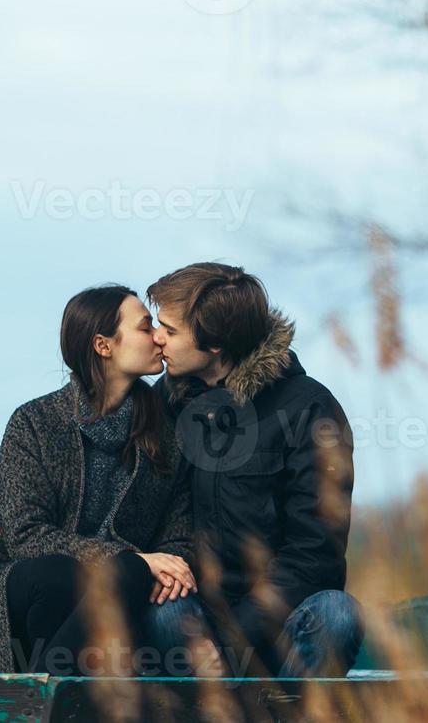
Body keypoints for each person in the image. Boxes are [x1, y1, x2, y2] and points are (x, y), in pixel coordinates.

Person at [0, 284, 198, 676]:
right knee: (64, 575)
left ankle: (45, 698)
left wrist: (160, 567)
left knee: (126, 574)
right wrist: (128, 559)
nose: (158, 337)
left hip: (116, 595)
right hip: (12, 586)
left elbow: (178, 536)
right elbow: (25, 535)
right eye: (146, 327)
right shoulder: (35, 423)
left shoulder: (166, 434)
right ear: (104, 345)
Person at [143, 262, 363, 678]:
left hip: (279, 625)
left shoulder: (309, 409)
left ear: (214, 346)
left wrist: (232, 645)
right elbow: (87, 456)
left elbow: (315, 554)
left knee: (338, 614)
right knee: (163, 613)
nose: (156, 339)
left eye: (169, 331)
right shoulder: (165, 403)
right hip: (195, 621)